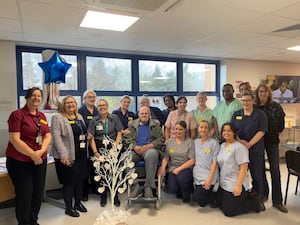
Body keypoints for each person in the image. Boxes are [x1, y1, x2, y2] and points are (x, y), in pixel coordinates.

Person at [6, 87, 52, 225]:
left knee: (37, 194)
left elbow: (47, 136)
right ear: (27, 97)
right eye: (33, 95)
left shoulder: (42, 116)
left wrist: (41, 151)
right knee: (25, 194)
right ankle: (24, 222)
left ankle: (33, 220)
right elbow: (15, 139)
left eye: (39, 96)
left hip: (39, 160)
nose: (36, 98)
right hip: (20, 162)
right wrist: (33, 154)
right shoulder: (17, 115)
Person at [51, 96, 88, 217]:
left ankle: (78, 203)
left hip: (81, 155)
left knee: (80, 180)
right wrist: (63, 155)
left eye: (72, 102)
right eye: (67, 103)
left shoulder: (79, 117)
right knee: (69, 182)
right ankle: (68, 207)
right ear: (63, 105)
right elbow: (56, 138)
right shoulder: (58, 117)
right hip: (67, 156)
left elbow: (82, 133)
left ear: (76, 104)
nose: (70, 105)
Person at [231, 93, 267, 211]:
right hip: (239, 150)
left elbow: (261, 131)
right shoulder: (236, 114)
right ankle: (243, 198)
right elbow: (232, 131)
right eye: (243, 101)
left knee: (257, 175)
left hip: (255, 150)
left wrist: (249, 144)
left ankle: (259, 200)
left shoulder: (260, 114)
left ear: (253, 101)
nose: (245, 103)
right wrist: (241, 142)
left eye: (248, 100)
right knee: (240, 175)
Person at [217, 122, 262, 217]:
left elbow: (244, 168)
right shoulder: (222, 146)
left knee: (228, 212)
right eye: (224, 130)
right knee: (219, 204)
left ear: (234, 132)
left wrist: (238, 186)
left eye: (229, 130)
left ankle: (253, 202)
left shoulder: (240, 147)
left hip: (236, 182)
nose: (226, 133)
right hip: (224, 182)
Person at [255, 84, 288, 213]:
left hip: (272, 142)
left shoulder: (276, 106)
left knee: (275, 170)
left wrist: (272, 132)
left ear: (269, 93)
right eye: (260, 92)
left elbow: (281, 125)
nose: (262, 94)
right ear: (257, 94)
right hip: (258, 142)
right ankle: (264, 194)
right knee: (260, 169)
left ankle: (277, 201)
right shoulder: (255, 107)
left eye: (264, 92)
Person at [88, 99, 123, 207]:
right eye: (99, 106)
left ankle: (115, 195)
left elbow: (119, 133)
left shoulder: (114, 118)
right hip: (99, 146)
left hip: (113, 146)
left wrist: (115, 148)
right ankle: (103, 195)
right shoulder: (94, 120)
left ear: (107, 107)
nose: (102, 107)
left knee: (113, 172)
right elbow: (91, 138)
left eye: (103, 105)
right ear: (97, 108)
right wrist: (95, 152)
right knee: (101, 172)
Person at [124, 106, 164, 199]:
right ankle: (135, 186)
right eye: (142, 113)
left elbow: (161, 139)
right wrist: (134, 146)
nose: (144, 115)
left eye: (146, 113)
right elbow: (126, 139)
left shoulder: (155, 125)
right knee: (127, 157)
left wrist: (149, 146)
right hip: (136, 150)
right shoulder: (132, 125)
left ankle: (149, 187)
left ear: (150, 115)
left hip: (149, 149)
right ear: (138, 115)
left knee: (152, 154)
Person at [158, 121, 195, 203]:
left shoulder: (190, 142)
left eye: (181, 129)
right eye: (176, 129)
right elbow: (166, 157)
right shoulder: (170, 142)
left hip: (186, 167)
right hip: (173, 167)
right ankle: (179, 190)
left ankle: (186, 193)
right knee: (171, 188)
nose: (178, 131)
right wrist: (163, 168)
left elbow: (192, 160)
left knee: (182, 178)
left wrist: (179, 169)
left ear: (185, 130)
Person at [192, 120, 220, 207]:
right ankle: (211, 195)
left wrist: (209, 180)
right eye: (201, 127)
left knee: (197, 198)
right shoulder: (195, 142)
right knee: (201, 202)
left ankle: (215, 195)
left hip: (209, 175)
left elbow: (215, 163)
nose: (203, 129)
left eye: (205, 127)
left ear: (209, 130)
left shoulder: (214, 143)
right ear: (198, 129)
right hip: (198, 175)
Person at [78, 89, 99, 201]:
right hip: (85, 143)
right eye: (89, 97)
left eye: (93, 97)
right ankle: (84, 193)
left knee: (96, 167)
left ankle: (96, 189)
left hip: (96, 143)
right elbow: (78, 126)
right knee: (85, 168)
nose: (91, 99)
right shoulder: (80, 111)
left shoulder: (97, 110)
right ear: (84, 99)